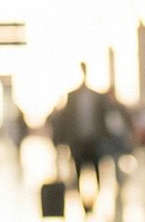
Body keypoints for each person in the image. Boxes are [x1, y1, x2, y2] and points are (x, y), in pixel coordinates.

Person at [53, 65, 114, 215]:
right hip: (78, 142)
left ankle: (93, 202)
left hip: (94, 141)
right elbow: (66, 120)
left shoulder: (97, 96)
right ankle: (84, 206)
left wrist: (107, 140)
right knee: (79, 173)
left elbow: (104, 120)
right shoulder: (72, 96)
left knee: (98, 173)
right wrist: (61, 143)